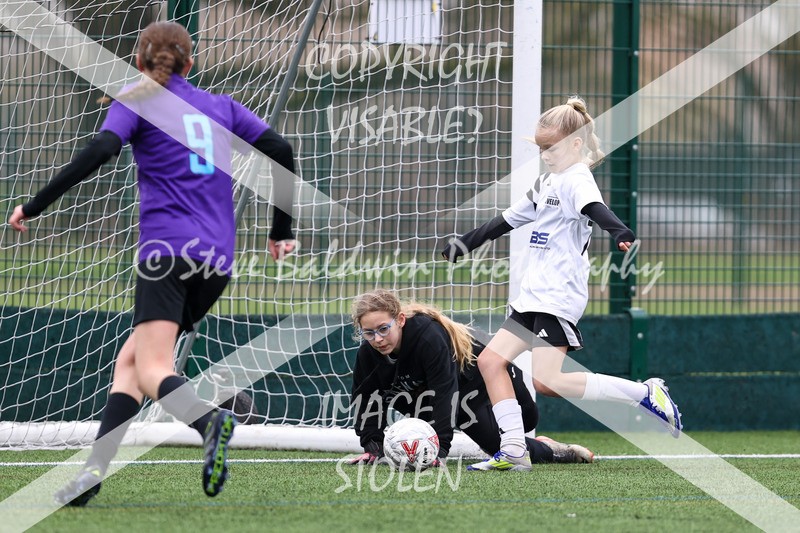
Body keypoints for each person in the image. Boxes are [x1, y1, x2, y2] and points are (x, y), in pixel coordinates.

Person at [8, 21, 296, 504]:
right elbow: (281, 150)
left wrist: (33, 205)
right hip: (217, 261)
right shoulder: (219, 105)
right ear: (191, 62)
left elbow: (101, 149)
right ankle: (91, 478)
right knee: (132, 362)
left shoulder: (137, 98)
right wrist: (281, 231)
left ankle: (210, 421)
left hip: (166, 253)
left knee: (150, 367)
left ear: (140, 60)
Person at [441, 96, 682, 471]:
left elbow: (593, 208)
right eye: (540, 148)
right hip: (533, 295)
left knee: (547, 381)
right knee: (490, 361)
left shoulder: (576, 178)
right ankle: (515, 450)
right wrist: (466, 241)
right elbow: (507, 220)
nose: (545, 154)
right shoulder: (547, 182)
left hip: (557, 295)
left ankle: (645, 394)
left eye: (550, 147)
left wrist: (617, 230)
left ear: (575, 144)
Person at [348, 289, 594, 469]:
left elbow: (445, 391)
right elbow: (366, 399)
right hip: (451, 400)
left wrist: (440, 449)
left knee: (529, 418)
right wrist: (372, 446)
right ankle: (559, 451)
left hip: (478, 377)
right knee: (505, 450)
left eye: (383, 328)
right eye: (368, 333)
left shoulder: (426, 336)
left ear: (400, 320)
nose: (378, 339)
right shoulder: (368, 355)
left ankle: (544, 442)